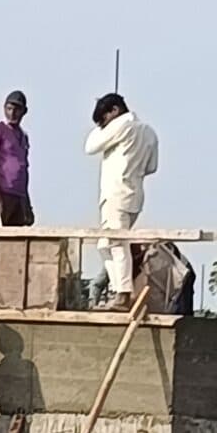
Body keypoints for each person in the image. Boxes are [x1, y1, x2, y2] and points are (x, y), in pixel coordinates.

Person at [84, 93, 160, 306]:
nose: (103, 124)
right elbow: (151, 167)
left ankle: (123, 293)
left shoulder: (122, 126)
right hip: (135, 194)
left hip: (115, 194)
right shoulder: (149, 132)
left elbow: (90, 146)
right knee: (105, 244)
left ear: (114, 111)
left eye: (103, 119)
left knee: (116, 243)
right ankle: (120, 289)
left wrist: (103, 127)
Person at [0, 91, 33, 226]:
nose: (12, 113)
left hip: (19, 196)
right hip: (2, 193)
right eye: (9, 108)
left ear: (24, 111)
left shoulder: (23, 136)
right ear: (4, 108)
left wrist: (27, 203)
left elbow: (23, 169)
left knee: (18, 242)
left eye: (17, 109)